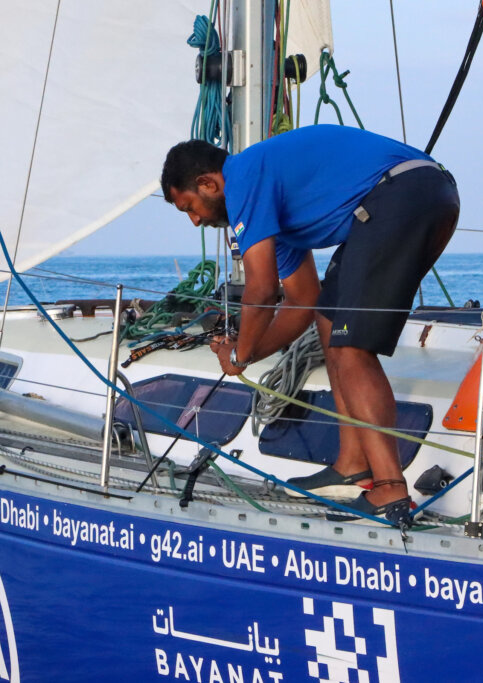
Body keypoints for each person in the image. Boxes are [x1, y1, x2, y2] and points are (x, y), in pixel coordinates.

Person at [159, 124, 459, 525]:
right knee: (328, 318)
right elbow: (302, 302)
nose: (195, 221)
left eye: (190, 207)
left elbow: (263, 290)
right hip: (423, 194)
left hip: (405, 192)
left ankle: (389, 489)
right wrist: (246, 355)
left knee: (352, 346)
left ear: (209, 183)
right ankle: (353, 466)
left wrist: (240, 353)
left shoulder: (245, 176)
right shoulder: (268, 212)